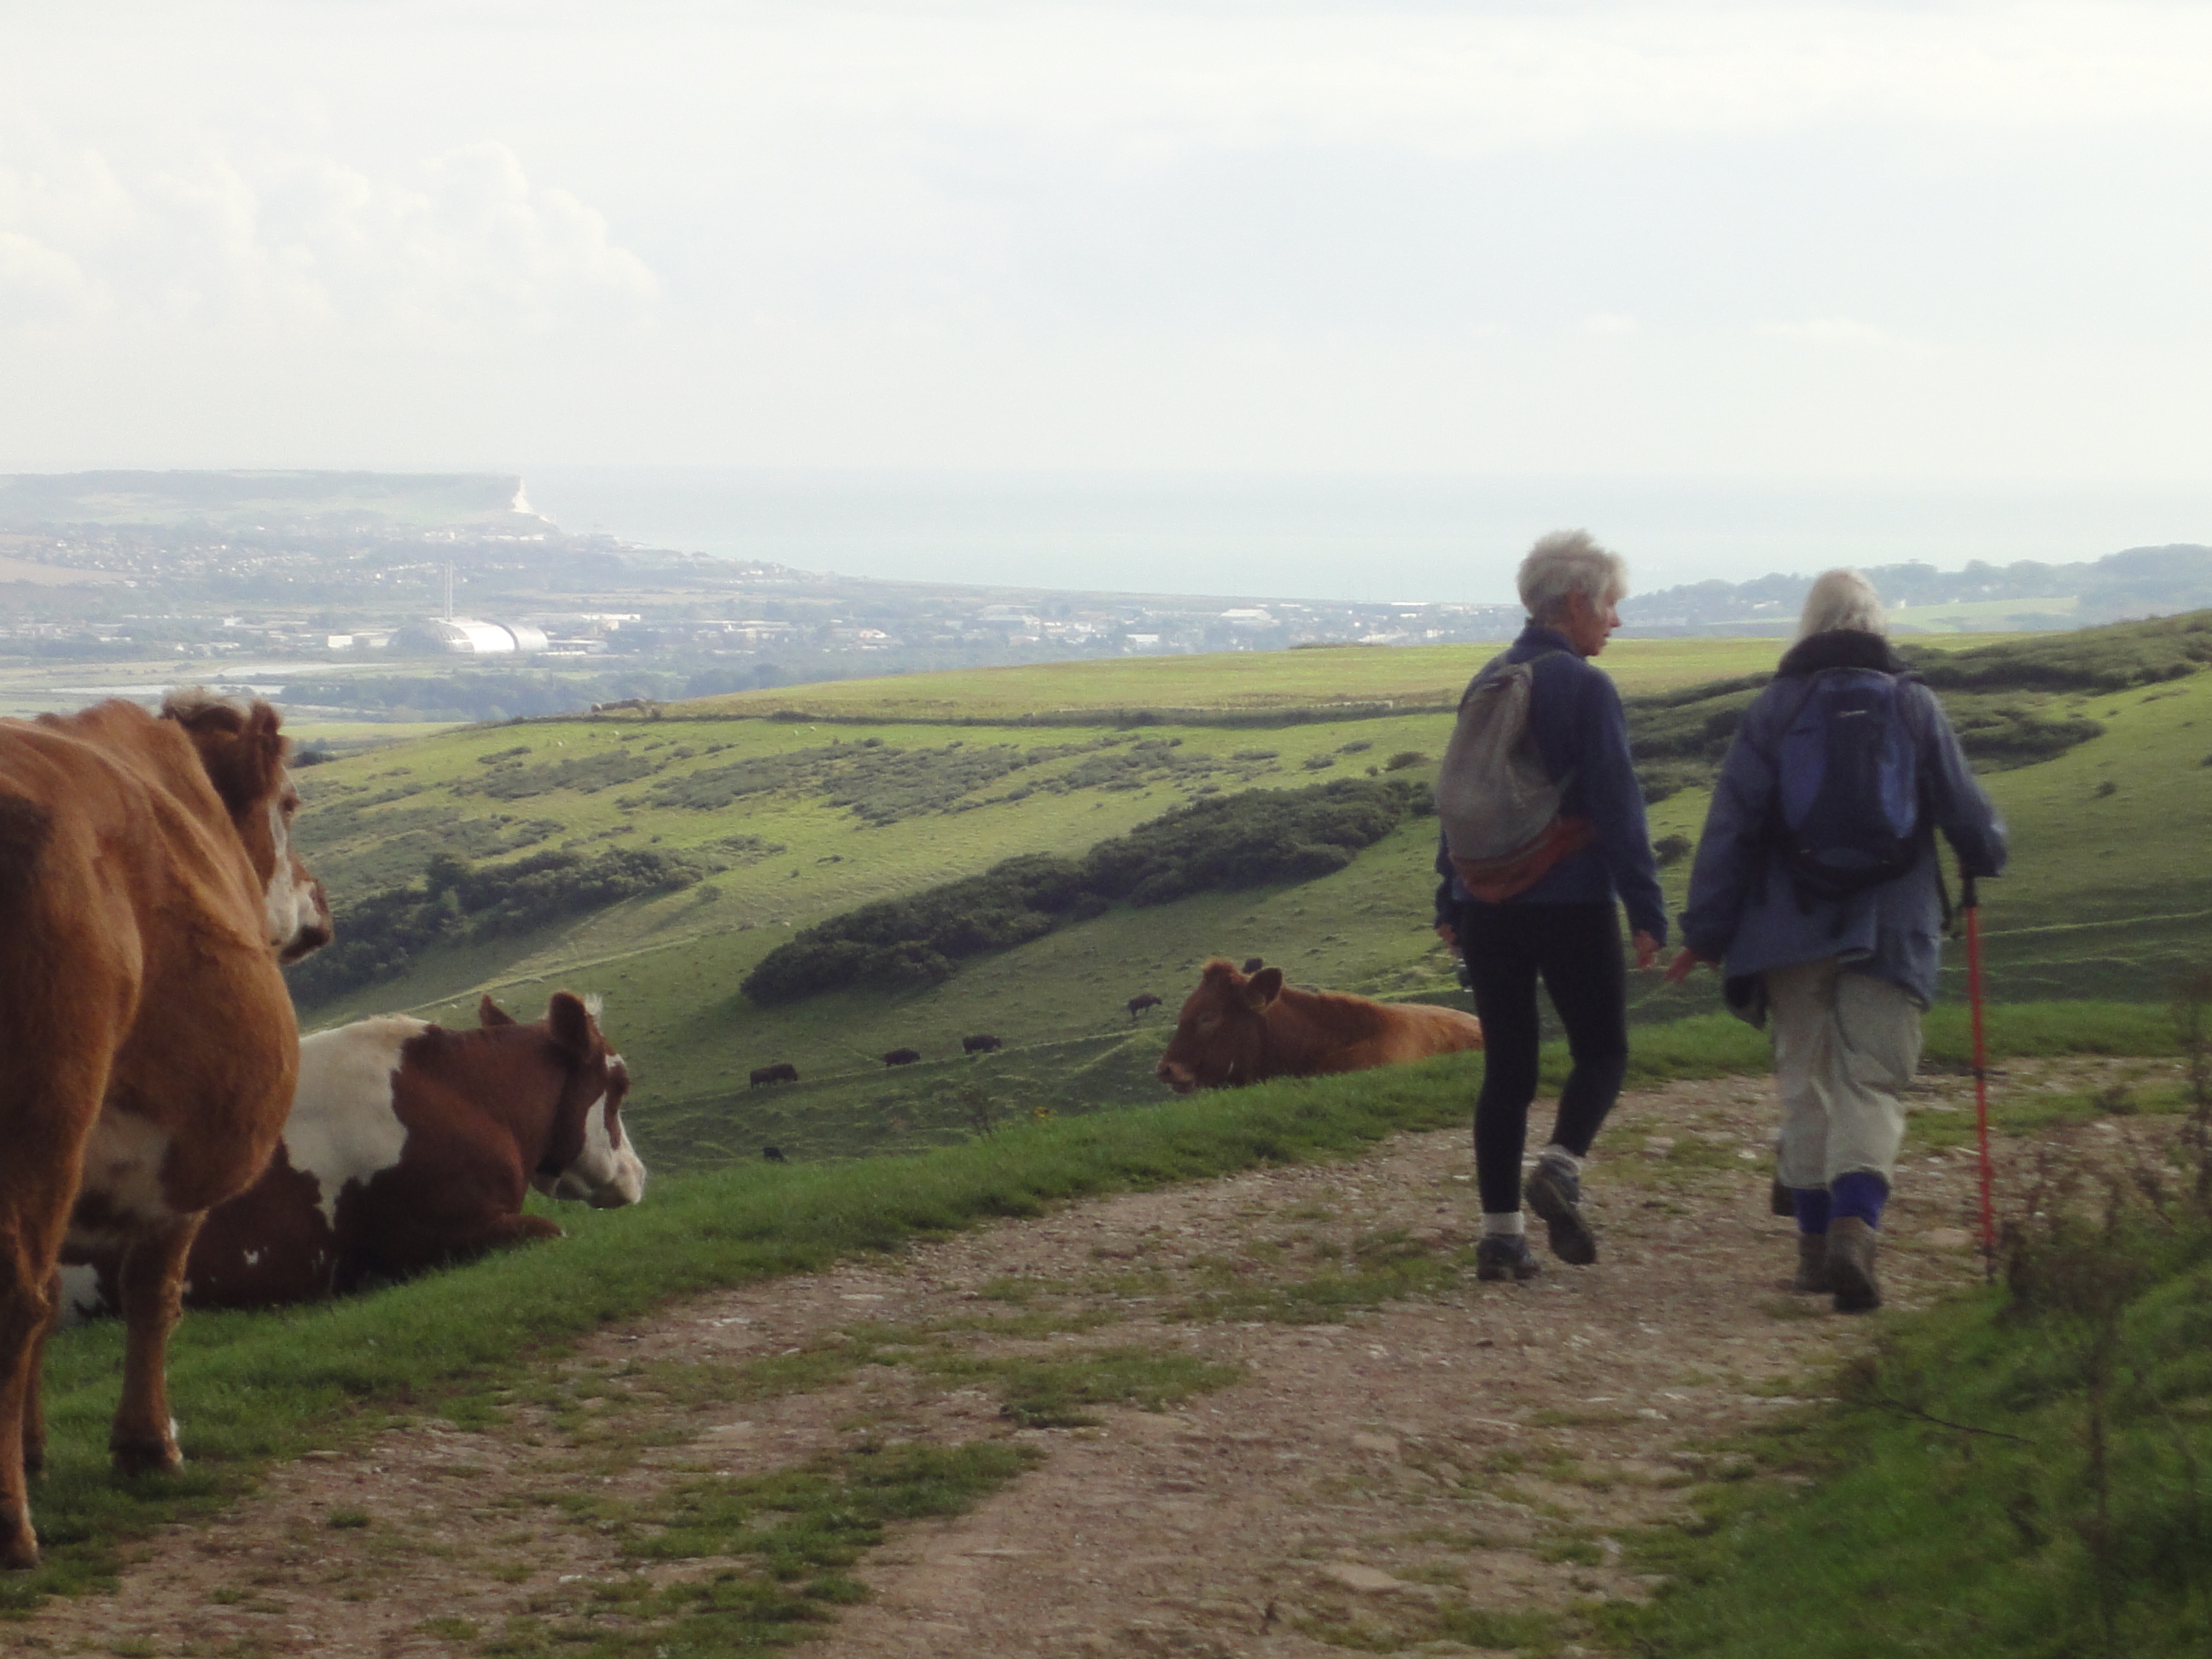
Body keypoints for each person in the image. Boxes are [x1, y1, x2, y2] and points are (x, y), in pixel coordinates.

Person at [1666, 569, 2005, 1313]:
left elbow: (1731, 827)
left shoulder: (1775, 709)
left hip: (1785, 925)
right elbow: (1967, 811)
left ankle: (1815, 1248)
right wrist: (1986, 854)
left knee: (1807, 1080)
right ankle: (1857, 1226)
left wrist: (1706, 933)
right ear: (1876, 625)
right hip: (1892, 922)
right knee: (1871, 1079)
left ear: (1809, 626)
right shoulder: (1912, 703)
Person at [1435, 529, 1665, 1283]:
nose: (1616, 621)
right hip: (1569, 899)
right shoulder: (1585, 687)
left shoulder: (1488, 678)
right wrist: (1646, 909)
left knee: (1508, 1070)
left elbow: (1460, 800)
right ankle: (1561, 1166)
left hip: (1485, 903)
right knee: (1602, 1051)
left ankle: (1500, 1240)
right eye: (1610, 605)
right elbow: (1618, 804)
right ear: (1575, 603)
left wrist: (1450, 895)